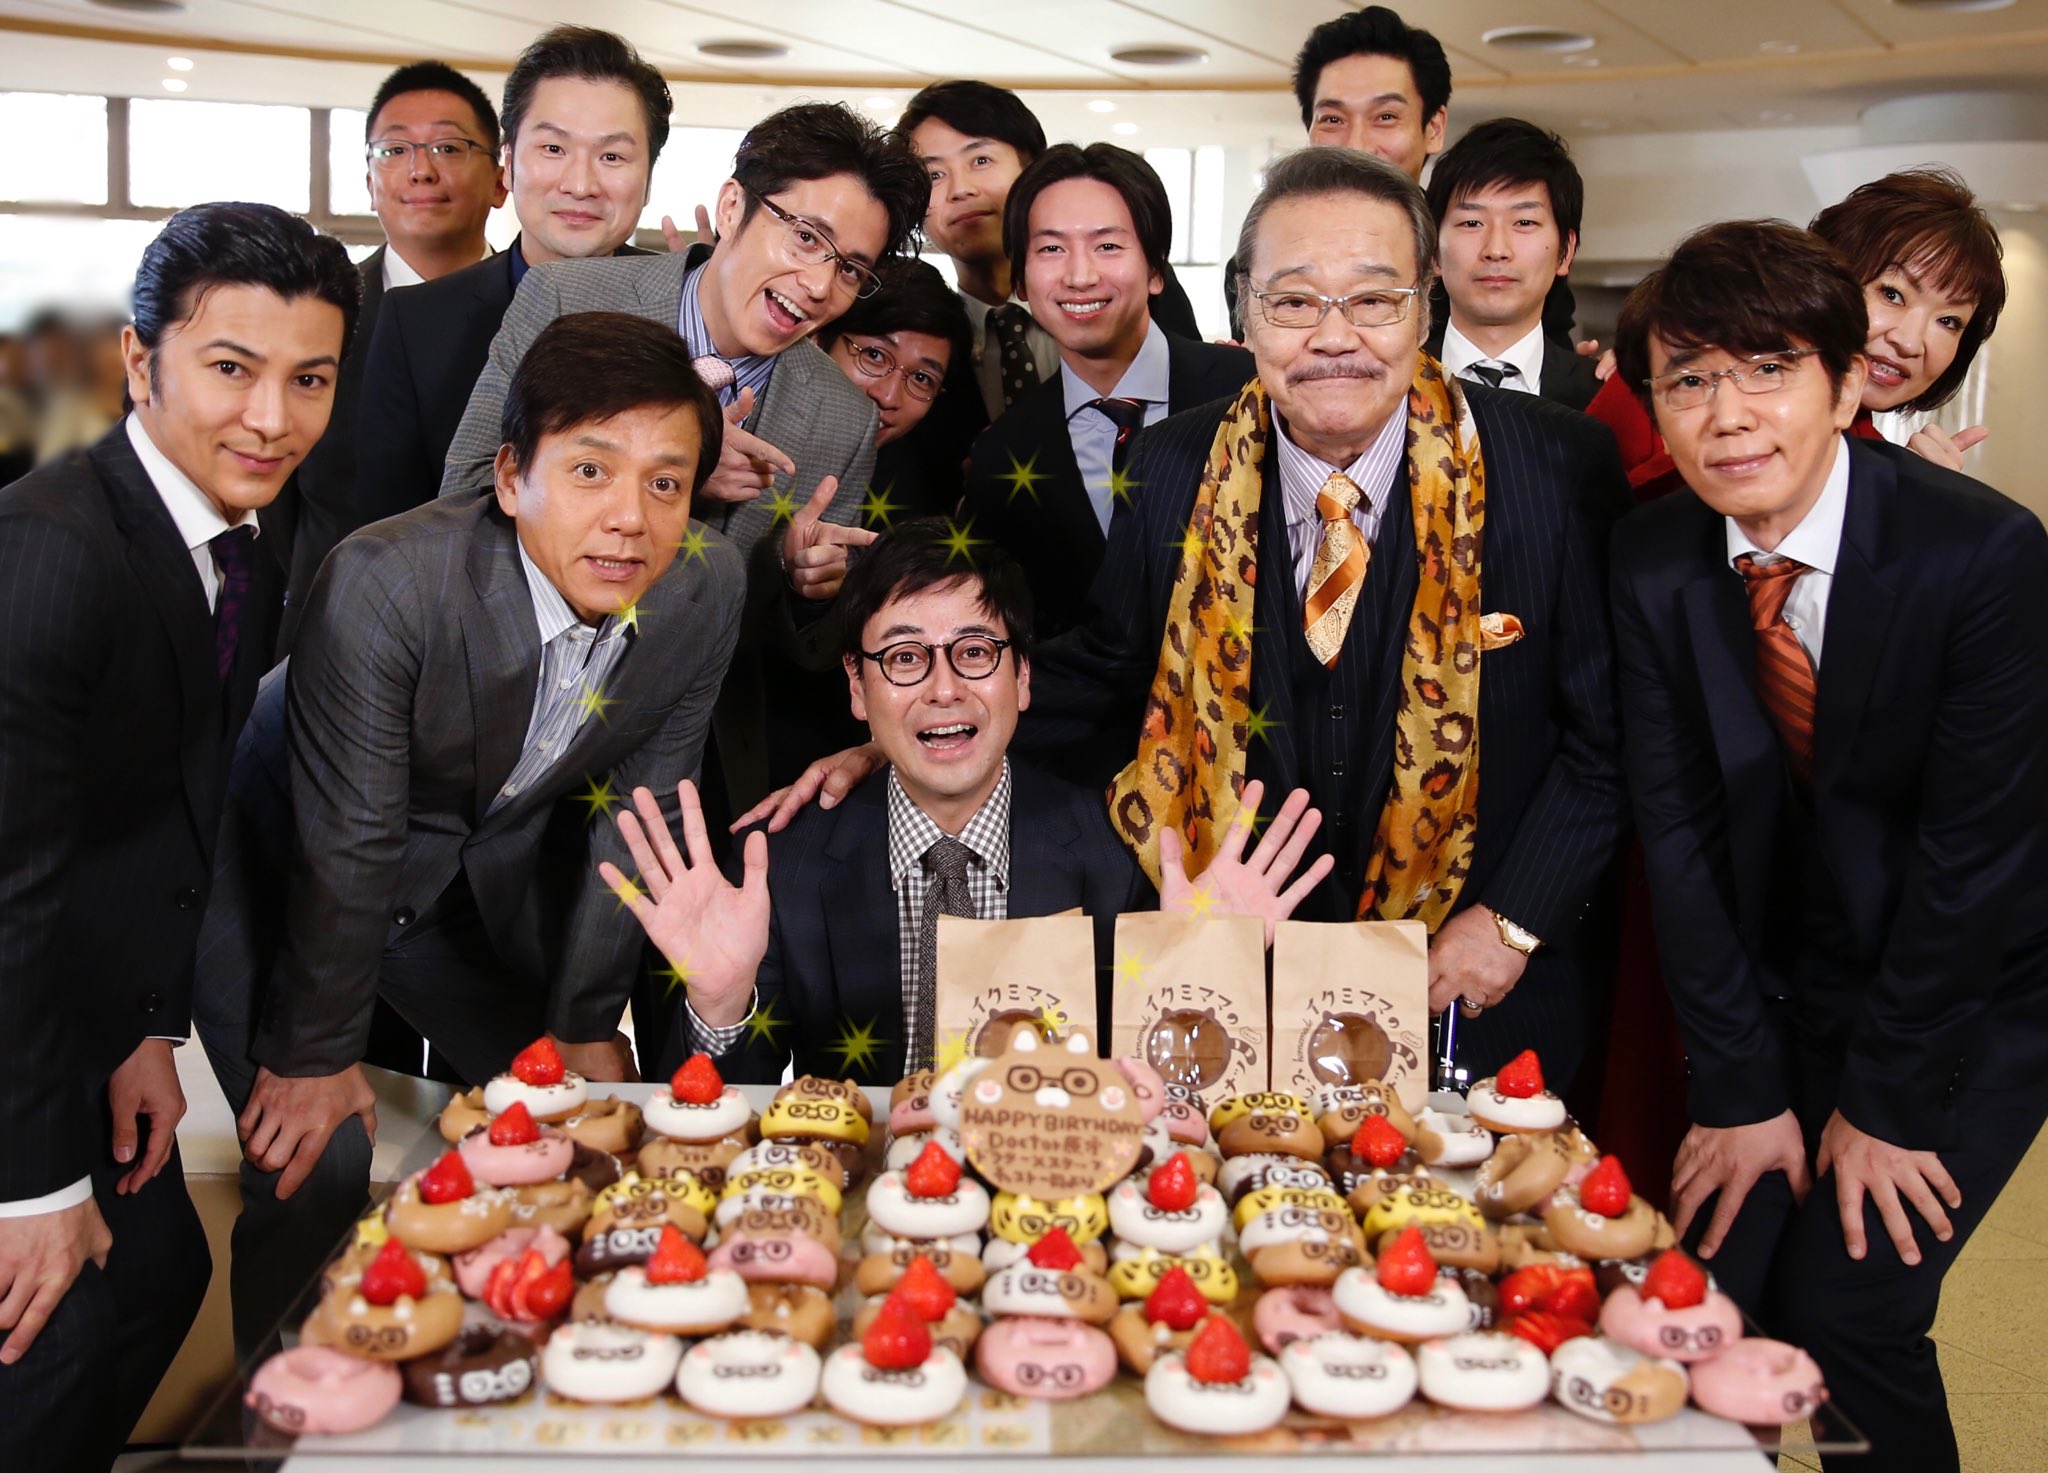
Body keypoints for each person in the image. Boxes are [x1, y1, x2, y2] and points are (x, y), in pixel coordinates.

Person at [764, 149, 1631, 1093]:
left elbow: (1607, 737)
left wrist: (1512, 921)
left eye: (1374, 300)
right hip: (1240, 977)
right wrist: (919, 730)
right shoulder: (1177, 463)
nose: (1334, 336)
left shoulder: (1555, 465)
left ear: (1426, 306)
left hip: (1471, 984)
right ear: (1243, 310)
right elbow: (1110, 665)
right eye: (1293, 301)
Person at [198, 312, 742, 1356]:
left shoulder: (703, 588)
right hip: (278, 860)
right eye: (590, 470)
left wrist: (584, 1016)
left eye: (666, 483)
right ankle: (289, 1407)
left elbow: (637, 815)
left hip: (447, 876)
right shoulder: (388, 580)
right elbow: (349, 841)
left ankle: (516, 1370)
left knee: (578, 1116)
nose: (629, 519)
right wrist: (315, 1053)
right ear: (508, 476)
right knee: (318, 1158)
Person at [1609, 219, 2048, 1473]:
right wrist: (1741, 1094)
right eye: (1689, 380)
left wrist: (1888, 1104)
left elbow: (1973, 859)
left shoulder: (1980, 554)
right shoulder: (1651, 558)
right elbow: (1677, 833)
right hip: (1789, 982)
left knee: (1850, 1313)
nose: (1727, 415)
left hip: (1975, 991)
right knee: (1706, 1303)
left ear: (1848, 384)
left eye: (1768, 370)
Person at [0, 202, 358, 1470]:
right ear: (137, 362)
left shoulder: (236, 539)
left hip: (85, 1017)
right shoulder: (52, 554)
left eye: (308, 379)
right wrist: (29, 1192)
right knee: (55, 1340)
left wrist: (143, 1034)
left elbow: (163, 812)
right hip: (15, 1034)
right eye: (231, 368)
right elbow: (10, 893)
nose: (271, 417)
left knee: (159, 1274)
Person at [607, 519, 1332, 1081]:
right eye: (904, 657)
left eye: (976, 652)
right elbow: (713, 1108)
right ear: (858, 687)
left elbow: (1167, 1097)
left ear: (1023, 677)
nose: (944, 688)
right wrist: (720, 1007)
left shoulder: (1118, 850)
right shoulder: (784, 864)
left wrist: (1204, 980)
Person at [439, 102, 926, 818]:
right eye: (805, 237)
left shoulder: (842, 416)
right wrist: (681, 469)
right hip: (503, 700)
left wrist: (805, 584)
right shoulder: (565, 298)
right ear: (732, 207)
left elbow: (806, 652)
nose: (820, 285)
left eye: (851, 268)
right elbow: (464, 494)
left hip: (691, 756)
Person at [355, 28, 664, 527]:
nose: (580, 184)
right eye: (553, 148)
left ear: (648, 178)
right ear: (509, 163)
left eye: (612, 156)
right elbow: (385, 529)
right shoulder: (415, 323)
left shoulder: (690, 308)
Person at [961, 144, 1253, 638]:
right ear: (1022, 281)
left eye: (1108, 246)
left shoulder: (1248, 391)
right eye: (1051, 249)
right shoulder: (1002, 456)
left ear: (1156, 270)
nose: (1080, 276)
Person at [1588, 167, 2006, 499]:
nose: (1910, 342)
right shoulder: (1668, 379)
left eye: (1949, 321)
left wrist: (1913, 509)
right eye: (1891, 294)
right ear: (1825, 279)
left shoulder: (1875, 461)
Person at [277, 60, 504, 653]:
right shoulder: (313, 315)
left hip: (501, 643)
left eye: (449, 147)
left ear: (500, 179)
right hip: (333, 635)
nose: (420, 170)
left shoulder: (540, 308)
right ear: (369, 181)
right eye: (394, 150)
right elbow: (277, 508)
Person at [899, 81, 1204, 490]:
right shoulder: (918, 335)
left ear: (1032, 171)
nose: (962, 189)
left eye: (981, 160)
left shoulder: (1131, 289)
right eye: (934, 174)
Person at [1423, 118, 1596, 410]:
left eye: (1524, 222)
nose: (1496, 250)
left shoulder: (1604, 398)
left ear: (1565, 251)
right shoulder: (1389, 386)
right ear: (1434, 251)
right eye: (1472, 223)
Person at [814, 255, 973, 516]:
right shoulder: (747, 430)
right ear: (818, 340)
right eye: (875, 356)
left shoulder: (912, 509)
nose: (888, 397)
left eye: (922, 378)